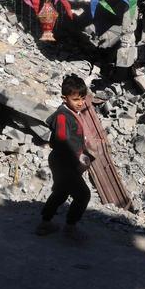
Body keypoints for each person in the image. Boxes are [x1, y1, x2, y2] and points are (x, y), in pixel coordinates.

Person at [35, 74, 92, 240]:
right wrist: (79, 156)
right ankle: (70, 228)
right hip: (63, 162)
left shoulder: (70, 112)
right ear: (64, 98)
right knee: (83, 194)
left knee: (61, 191)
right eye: (76, 99)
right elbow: (61, 140)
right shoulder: (62, 116)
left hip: (63, 161)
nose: (80, 103)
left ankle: (45, 223)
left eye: (82, 98)